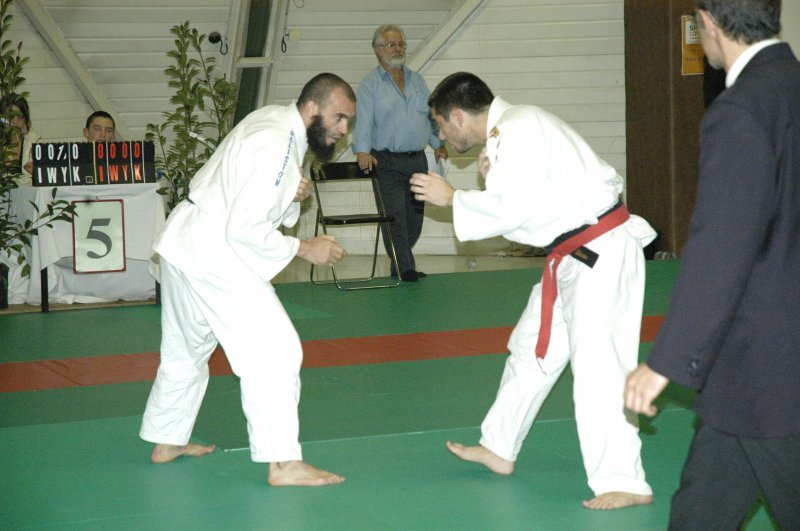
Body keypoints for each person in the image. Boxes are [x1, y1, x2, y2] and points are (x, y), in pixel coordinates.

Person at [410, 72, 657, 510]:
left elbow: (514, 210)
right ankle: (499, 446)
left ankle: (624, 480)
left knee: (600, 366)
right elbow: (534, 202)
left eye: (440, 124)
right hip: (573, 255)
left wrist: (453, 198)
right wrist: (490, 182)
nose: (441, 134)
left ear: (459, 116)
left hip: (598, 253)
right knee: (530, 350)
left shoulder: (518, 127)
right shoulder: (510, 133)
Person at [624, 1, 800, 528]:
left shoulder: (741, 110)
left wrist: (666, 360)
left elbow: (721, 249)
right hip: (747, 380)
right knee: (701, 512)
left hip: (768, 364)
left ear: (707, 23)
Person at [139, 73, 356, 487]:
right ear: (313, 108)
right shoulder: (276, 143)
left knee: (187, 350)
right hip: (216, 254)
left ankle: (167, 440)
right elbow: (244, 228)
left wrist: (294, 195)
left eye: (348, 121)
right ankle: (283, 464)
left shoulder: (275, 122)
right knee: (276, 350)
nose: (343, 130)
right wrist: (304, 248)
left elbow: (255, 198)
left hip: (186, 244)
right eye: (339, 117)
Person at [351, 24, 448, 282]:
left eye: (401, 44)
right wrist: (362, 151)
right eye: (392, 44)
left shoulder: (417, 80)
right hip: (386, 161)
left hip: (417, 160)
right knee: (394, 218)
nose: (398, 49)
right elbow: (363, 121)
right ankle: (405, 268)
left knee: (414, 219)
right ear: (378, 50)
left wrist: (438, 143)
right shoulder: (370, 85)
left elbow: (428, 116)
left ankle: (400, 263)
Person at [3, 94, 40, 183]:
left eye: (20, 117)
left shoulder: (34, 142)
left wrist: (37, 173)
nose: (15, 121)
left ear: (25, 121)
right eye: (11, 116)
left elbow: (47, 178)